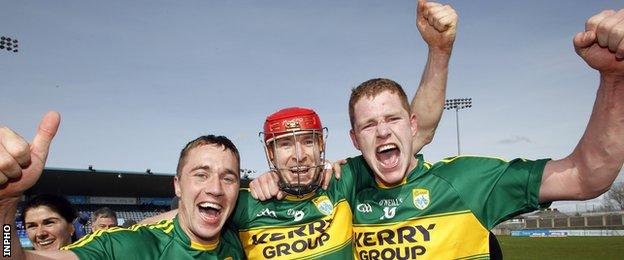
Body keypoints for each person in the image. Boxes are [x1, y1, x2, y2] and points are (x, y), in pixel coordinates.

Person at [141, 1, 457, 259]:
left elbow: (420, 131)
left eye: (307, 141)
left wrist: (439, 51)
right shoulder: (248, 202)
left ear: (322, 146)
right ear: (270, 152)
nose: (299, 156)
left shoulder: (342, 182)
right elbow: (181, 221)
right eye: (285, 145)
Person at [345, 9, 624, 259]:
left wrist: (614, 79)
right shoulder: (344, 190)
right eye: (368, 125)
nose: (382, 131)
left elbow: (586, 177)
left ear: (412, 125)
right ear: (355, 140)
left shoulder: (467, 180)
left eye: (393, 119)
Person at [0, 126, 245, 259]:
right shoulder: (127, 246)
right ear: (178, 186)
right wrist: (6, 205)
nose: (215, 189)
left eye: (228, 178)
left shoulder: (240, 236)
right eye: (201, 174)